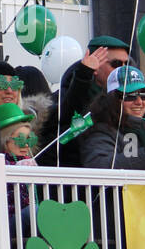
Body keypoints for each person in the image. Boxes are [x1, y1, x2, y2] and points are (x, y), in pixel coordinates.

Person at [49, 35, 133, 166]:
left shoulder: (133, 97)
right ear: (96, 67)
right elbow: (66, 125)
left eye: (126, 64)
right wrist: (83, 75)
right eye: (116, 64)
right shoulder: (67, 97)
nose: (123, 70)